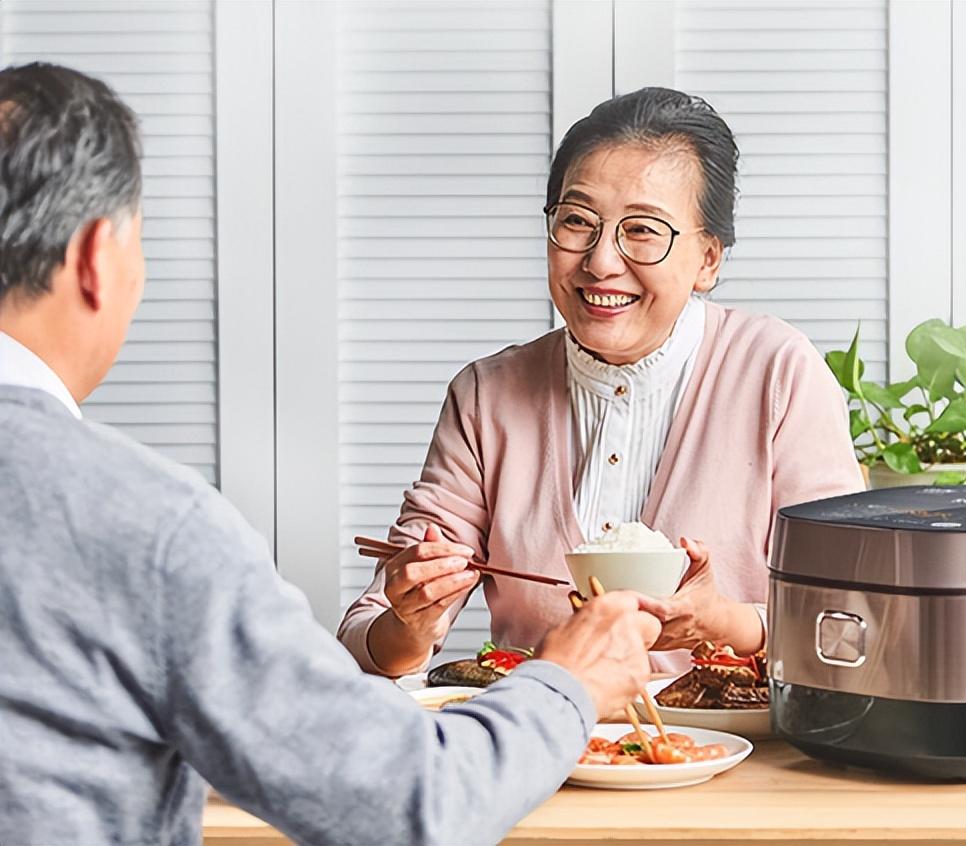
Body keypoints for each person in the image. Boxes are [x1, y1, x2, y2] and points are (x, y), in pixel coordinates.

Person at [0, 62, 662, 846]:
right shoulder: (148, 529)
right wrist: (568, 685)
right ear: (96, 258)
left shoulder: (773, 367)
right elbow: (408, 802)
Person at [340, 87, 865, 679]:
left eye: (642, 230)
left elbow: (851, 623)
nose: (601, 262)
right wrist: (409, 622)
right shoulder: (488, 394)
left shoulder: (777, 371)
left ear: (708, 260)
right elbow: (367, 632)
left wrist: (727, 622)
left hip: (733, 759)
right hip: (537, 745)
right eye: (577, 222)